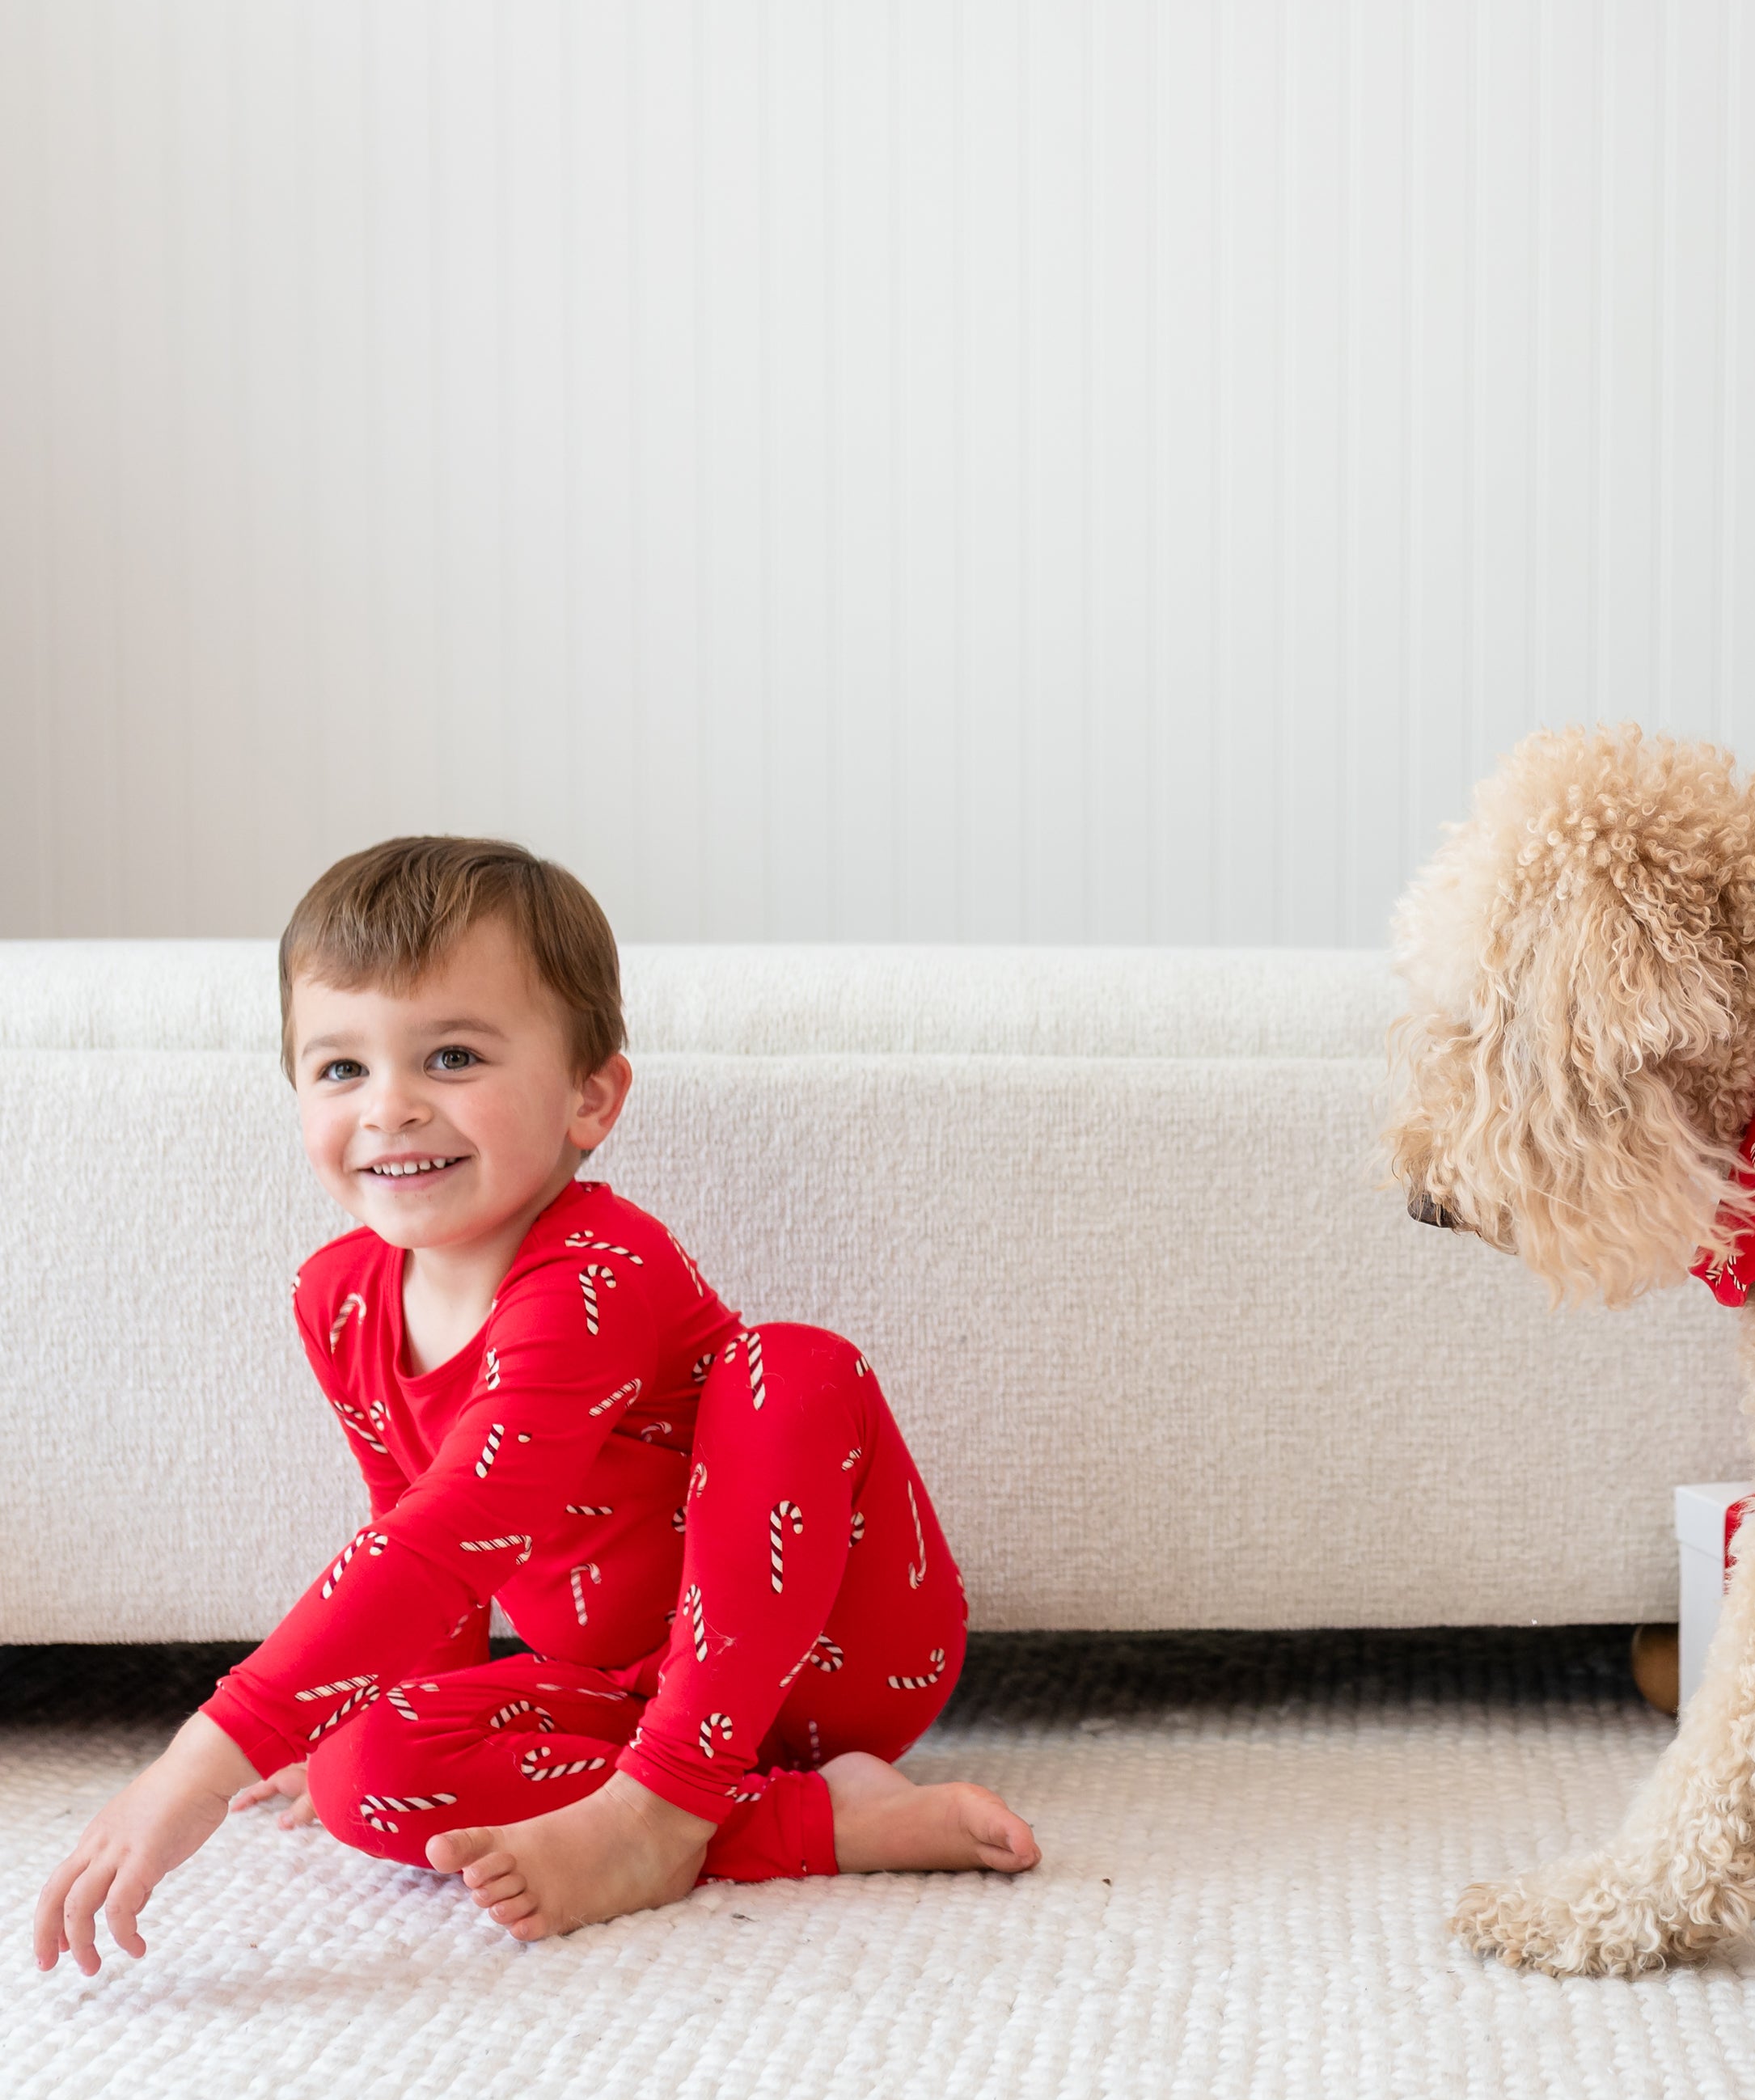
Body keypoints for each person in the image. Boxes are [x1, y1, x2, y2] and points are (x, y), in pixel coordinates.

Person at [32, 837, 1038, 1975]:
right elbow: (405, 1535)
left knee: (793, 1365)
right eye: (341, 1069)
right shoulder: (339, 1300)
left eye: (451, 1056)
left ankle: (666, 1813)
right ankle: (810, 1818)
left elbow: (459, 1523)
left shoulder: (601, 1269)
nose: (391, 1108)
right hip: (616, 1693)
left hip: (831, 1658)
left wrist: (194, 1765)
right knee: (364, 1768)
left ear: (588, 1097)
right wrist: (345, 1727)